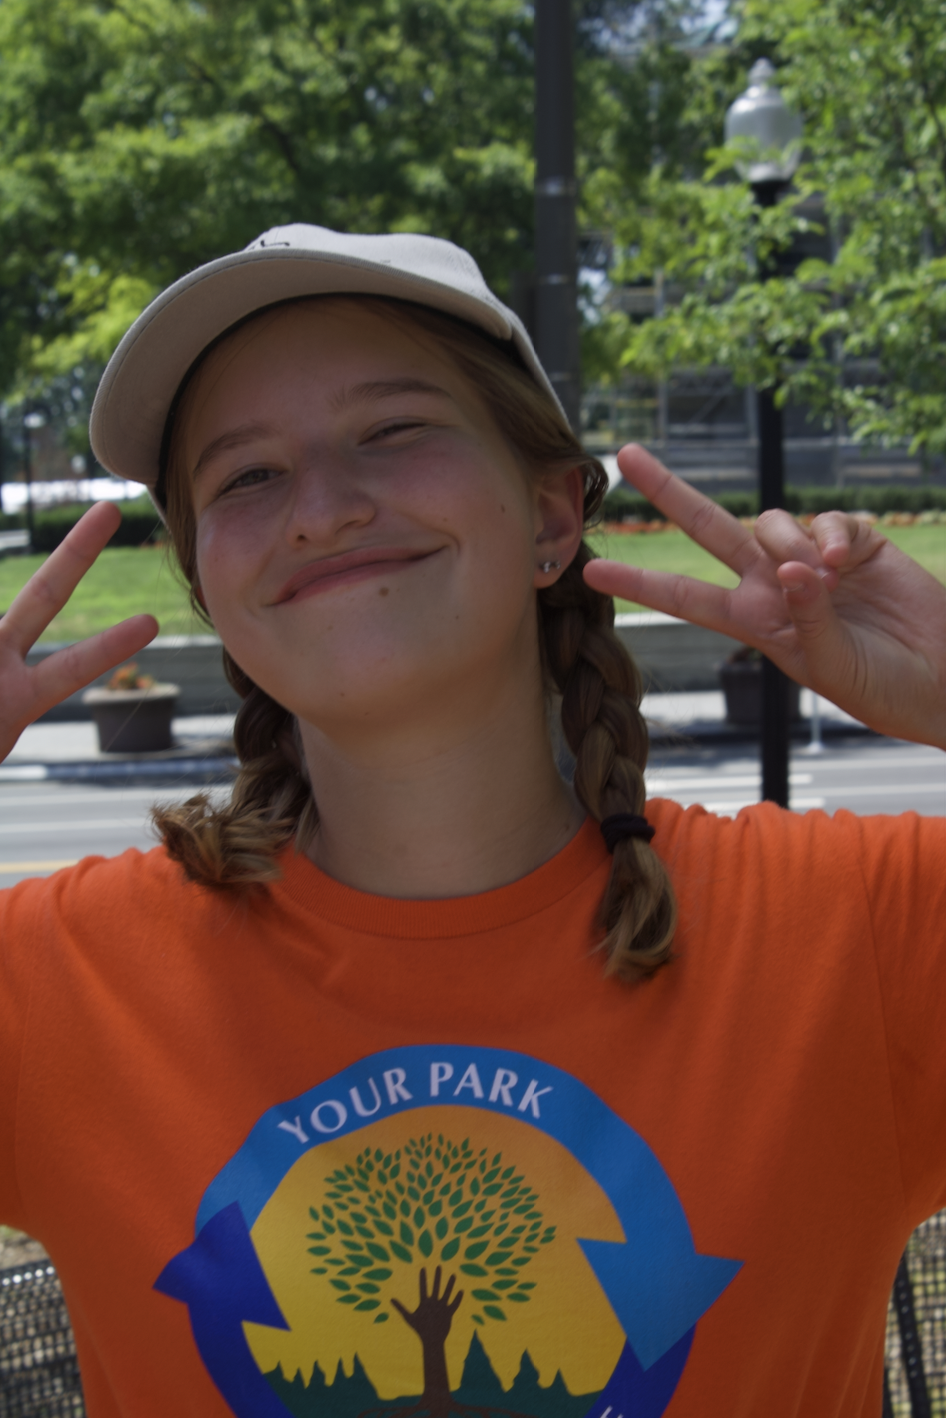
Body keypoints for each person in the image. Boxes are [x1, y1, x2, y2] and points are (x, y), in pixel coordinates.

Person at [0, 224, 943, 1418]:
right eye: (245, 476)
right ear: (207, 587)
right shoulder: (54, 985)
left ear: (553, 515)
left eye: (392, 429)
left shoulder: (854, 935)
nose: (322, 509)